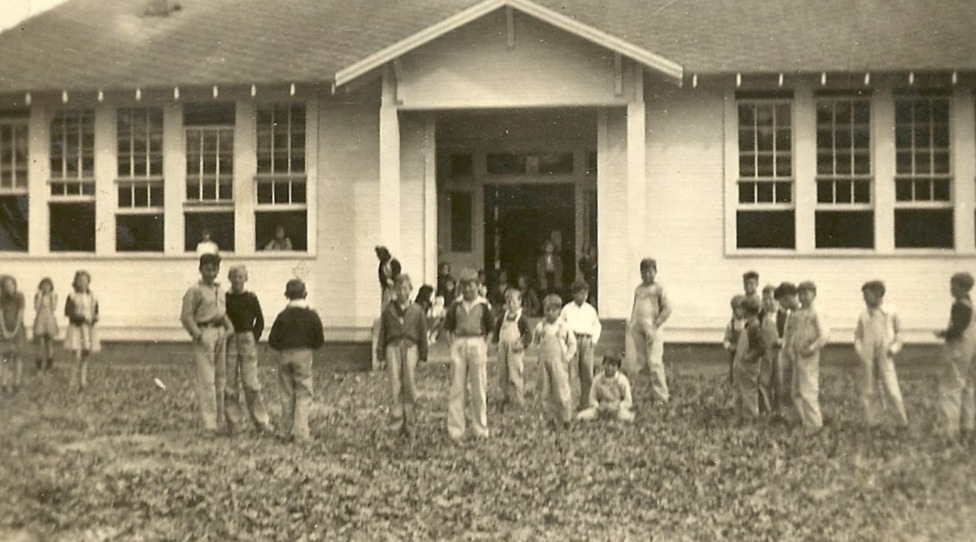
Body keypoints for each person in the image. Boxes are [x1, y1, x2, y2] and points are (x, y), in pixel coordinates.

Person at [180, 254, 234, 434]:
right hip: (205, 333)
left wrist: (228, 328)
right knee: (207, 380)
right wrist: (198, 334)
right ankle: (209, 424)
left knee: (220, 379)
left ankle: (219, 422)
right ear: (201, 269)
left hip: (220, 333)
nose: (211, 273)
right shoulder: (195, 290)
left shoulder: (220, 289)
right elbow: (186, 316)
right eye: (207, 269)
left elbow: (222, 312)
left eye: (214, 269)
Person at [268, 279, 325, 444]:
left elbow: (273, 340)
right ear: (305, 294)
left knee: (287, 393)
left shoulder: (282, 316)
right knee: (304, 392)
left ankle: (286, 431)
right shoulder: (311, 315)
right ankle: (301, 433)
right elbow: (319, 339)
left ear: (286, 295)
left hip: (285, 355)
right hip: (304, 354)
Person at [443, 269, 494, 443]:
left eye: (471, 286)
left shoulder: (484, 305)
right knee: (457, 388)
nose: (468, 290)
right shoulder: (455, 305)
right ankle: (456, 429)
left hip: (477, 342)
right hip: (459, 343)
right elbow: (448, 328)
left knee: (479, 388)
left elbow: (491, 329)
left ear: (478, 286)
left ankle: (480, 429)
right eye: (464, 286)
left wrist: (484, 345)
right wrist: (452, 346)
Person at [377, 274, 428, 437]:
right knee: (395, 386)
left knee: (410, 385)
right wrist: (380, 356)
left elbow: (422, 334)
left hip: (411, 349)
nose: (402, 292)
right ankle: (396, 424)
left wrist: (423, 356)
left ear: (411, 291)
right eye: (399, 289)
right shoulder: (388, 311)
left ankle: (410, 425)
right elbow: (382, 334)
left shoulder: (417, 311)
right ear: (394, 291)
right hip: (393, 349)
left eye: (406, 288)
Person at [224, 265, 273, 434]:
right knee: (229, 383)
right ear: (229, 278)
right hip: (230, 340)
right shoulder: (225, 298)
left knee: (251, 382)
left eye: (240, 277)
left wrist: (254, 337)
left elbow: (259, 320)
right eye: (234, 277)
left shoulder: (251, 298)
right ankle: (234, 423)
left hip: (246, 339)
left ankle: (261, 422)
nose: (237, 280)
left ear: (246, 279)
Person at [854, 280, 908, 429]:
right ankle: (875, 421)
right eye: (863, 295)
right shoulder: (863, 316)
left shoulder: (890, 312)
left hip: (885, 354)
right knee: (869, 389)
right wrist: (861, 351)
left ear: (878, 294)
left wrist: (894, 348)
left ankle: (900, 422)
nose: (865, 298)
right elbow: (858, 336)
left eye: (867, 295)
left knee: (891, 389)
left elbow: (900, 334)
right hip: (868, 356)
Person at [934, 272, 976, 441]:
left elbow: (957, 329)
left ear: (963, 288)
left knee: (949, 388)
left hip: (957, 351)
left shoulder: (960, 306)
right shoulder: (971, 306)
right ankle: (967, 426)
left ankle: (949, 431)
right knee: (967, 388)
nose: (951, 288)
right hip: (970, 351)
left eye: (954, 285)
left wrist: (943, 333)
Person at [629, 258, 672, 403]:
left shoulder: (659, 289)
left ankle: (660, 397)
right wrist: (632, 323)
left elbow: (667, 309)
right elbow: (635, 307)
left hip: (653, 329)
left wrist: (656, 324)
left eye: (650, 271)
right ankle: (645, 395)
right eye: (644, 271)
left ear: (655, 272)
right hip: (638, 328)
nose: (647, 274)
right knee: (641, 363)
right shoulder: (638, 289)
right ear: (640, 272)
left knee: (654, 362)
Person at [789, 281, 830, 429]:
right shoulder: (798, 313)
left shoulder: (816, 312)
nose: (803, 297)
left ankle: (815, 425)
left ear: (814, 294)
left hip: (809, 356)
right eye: (800, 294)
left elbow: (824, 335)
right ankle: (804, 421)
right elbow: (794, 332)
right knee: (796, 391)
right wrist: (791, 348)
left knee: (808, 390)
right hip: (798, 354)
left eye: (807, 293)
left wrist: (812, 348)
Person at [534, 294, 577, 430]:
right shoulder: (541, 327)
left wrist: (567, 358)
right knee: (545, 391)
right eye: (547, 310)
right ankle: (550, 419)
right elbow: (536, 341)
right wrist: (539, 353)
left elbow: (572, 345)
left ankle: (566, 419)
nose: (550, 313)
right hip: (544, 362)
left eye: (553, 310)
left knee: (561, 390)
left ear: (559, 311)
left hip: (559, 362)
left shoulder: (563, 327)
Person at [561, 279, 602, 411]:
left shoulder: (590, 310)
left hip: (586, 340)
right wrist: (564, 343)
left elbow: (597, 326)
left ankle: (585, 403)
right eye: (580, 293)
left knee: (587, 373)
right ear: (573, 294)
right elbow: (561, 326)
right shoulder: (567, 309)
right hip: (572, 340)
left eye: (585, 293)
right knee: (572, 372)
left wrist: (593, 341)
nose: (583, 296)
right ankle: (571, 403)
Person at [494, 289, 531, 408]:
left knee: (515, 372)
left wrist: (522, 344)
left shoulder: (521, 319)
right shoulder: (502, 318)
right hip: (502, 347)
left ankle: (519, 398)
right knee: (503, 372)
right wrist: (496, 342)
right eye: (508, 302)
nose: (511, 305)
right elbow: (496, 331)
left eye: (514, 302)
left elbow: (529, 335)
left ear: (520, 302)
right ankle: (506, 396)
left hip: (515, 349)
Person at [65, 271, 100, 392]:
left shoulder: (92, 297)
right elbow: (68, 312)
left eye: (85, 281)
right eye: (79, 281)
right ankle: (72, 382)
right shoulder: (72, 296)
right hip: (77, 328)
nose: (82, 283)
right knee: (76, 355)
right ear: (75, 282)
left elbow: (95, 311)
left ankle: (83, 381)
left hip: (88, 329)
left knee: (86, 354)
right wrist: (82, 318)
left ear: (88, 282)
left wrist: (94, 318)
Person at [733, 297, 765, 421]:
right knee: (740, 392)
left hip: (749, 367)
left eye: (742, 309)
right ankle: (740, 417)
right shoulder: (748, 325)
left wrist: (750, 356)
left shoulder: (755, 326)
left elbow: (762, 347)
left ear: (747, 311)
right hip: (742, 366)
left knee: (749, 393)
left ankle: (750, 419)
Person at [577, 355, 634, 422]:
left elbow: (628, 401)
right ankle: (601, 418)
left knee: (629, 418)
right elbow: (592, 398)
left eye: (613, 365)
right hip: (601, 408)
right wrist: (597, 406)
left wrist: (619, 406)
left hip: (617, 408)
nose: (610, 368)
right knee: (579, 417)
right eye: (607, 364)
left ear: (618, 367)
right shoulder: (597, 379)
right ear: (603, 364)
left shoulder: (622, 380)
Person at [372, 245, 401, 370]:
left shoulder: (393, 262)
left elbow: (397, 273)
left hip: (394, 287)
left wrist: (392, 280)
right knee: (386, 304)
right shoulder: (381, 265)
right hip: (387, 289)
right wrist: (385, 281)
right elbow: (381, 277)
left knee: (395, 303)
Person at [773, 282, 799, 419]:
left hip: (798, 357)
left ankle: (801, 419)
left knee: (798, 390)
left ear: (787, 298)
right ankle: (791, 418)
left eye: (781, 301)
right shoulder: (791, 314)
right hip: (787, 355)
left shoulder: (801, 313)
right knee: (787, 388)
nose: (781, 305)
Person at [758, 284, 782, 415]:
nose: (768, 302)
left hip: (780, 351)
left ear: (777, 300)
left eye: (771, 299)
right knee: (763, 379)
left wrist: (783, 340)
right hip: (764, 351)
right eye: (765, 299)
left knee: (779, 379)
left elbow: (791, 334)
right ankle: (765, 408)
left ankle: (779, 408)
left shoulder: (784, 316)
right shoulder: (759, 317)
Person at [0, 275, 26, 394]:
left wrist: (15, 331)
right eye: (6, 286)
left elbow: (20, 314)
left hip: (18, 330)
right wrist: (4, 330)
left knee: (17, 357)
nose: (9, 288)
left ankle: (16, 383)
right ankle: (4, 383)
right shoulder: (1, 298)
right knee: (4, 357)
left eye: (11, 285)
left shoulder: (19, 297)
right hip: (3, 330)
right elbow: (0, 315)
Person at [32, 277, 59, 373]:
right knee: (40, 344)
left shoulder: (53, 296)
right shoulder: (38, 296)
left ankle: (49, 365)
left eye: (48, 286)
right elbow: (36, 307)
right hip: (40, 319)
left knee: (49, 344)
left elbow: (54, 308)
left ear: (51, 287)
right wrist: (39, 297)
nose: (46, 288)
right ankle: (39, 366)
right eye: (43, 286)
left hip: (49, 320)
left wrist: (52, 297)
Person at [722, 295, 747, 386]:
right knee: (734, 370)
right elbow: (726, 340)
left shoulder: (747, 323)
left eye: (740, 309)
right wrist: (729, 346)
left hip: (745, 353)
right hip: (735, 353)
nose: (738, 311)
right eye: (735, 309)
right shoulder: (731, 325)